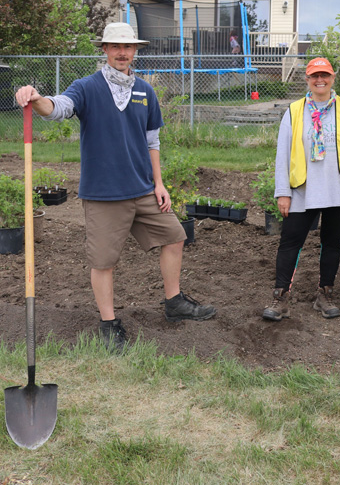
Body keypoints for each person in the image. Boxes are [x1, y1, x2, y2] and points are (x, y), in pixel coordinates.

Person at [15, 22, 216, 353]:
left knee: (175, 237)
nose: (123, 53)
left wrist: (159, 183)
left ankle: (174, 301)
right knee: (104, 261)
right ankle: (109, 324)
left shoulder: (145, 91)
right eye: (115, 47)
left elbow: (153, 140)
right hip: (105, 195)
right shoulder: (87, 87)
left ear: (135, 51)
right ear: (105, 50)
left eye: (128, 47)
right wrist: (37, 99)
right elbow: (59, 107)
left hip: (142, 189)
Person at [263, 57, 340, 321]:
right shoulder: (295, 111)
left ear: (333, 78)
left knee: (332, 244)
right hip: (303, 189)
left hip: (337, 187)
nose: (320, 80)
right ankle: (280, 298)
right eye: (314, 76)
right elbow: (282, 153)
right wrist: (282, 192)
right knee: (290, 243)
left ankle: (325, 294)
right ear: (307, 80)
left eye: (325, 75)